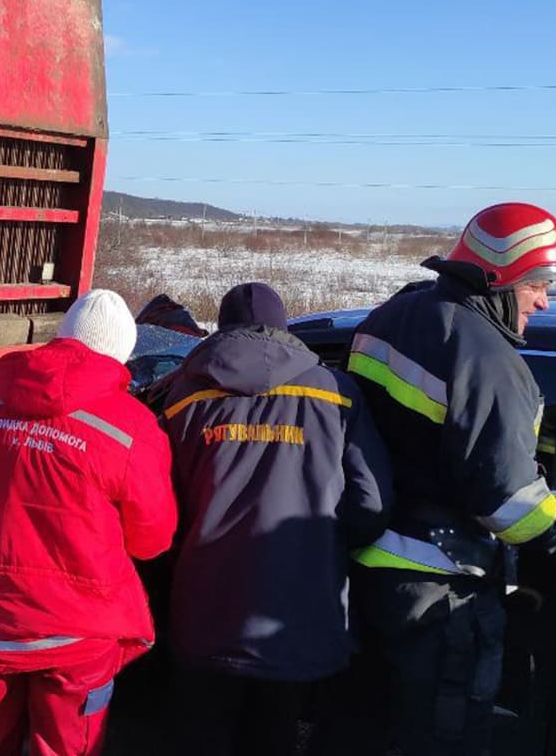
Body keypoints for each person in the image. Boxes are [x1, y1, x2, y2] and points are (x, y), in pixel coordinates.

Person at [335, 202, 556, 756]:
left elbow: (417, 438)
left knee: (374, 731)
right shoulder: (491, 361)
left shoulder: (390, 318)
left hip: (369, 581)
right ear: (499, 277)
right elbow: (515, 508)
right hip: (442, 597)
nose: (544, 299)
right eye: (538, 283)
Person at [158, 282, 394, 756]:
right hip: (295, 614)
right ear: (285, 329)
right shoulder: (337, 393)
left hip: (203, 609)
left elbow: (158, 507)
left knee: (199, 734)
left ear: (221, 330)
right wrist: (323, 552)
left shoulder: (181, 396)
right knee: (274, 733)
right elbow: (371, 506)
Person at [0, 288, 178, 756]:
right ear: (121, 353)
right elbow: (153, 538)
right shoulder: (131, 426)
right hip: (78, 631)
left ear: (63, 336)